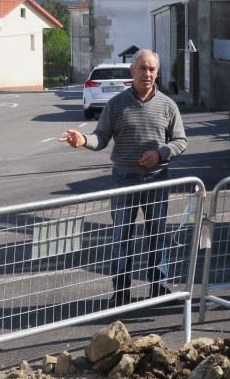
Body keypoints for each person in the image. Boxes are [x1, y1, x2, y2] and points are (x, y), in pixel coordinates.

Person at [59, 49, 188, 307]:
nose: (147, 74)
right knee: (122, 239)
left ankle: (159, 289)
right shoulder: (115, 105)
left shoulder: (168, 105)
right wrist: (84, 140)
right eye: (142, 68)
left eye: (152, 69)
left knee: (158, 236)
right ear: (132, 71)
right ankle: (121, 293)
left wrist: (161, 152)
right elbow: (100, 138)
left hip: (157, 181)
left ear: (157, 73)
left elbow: (180, 141)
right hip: (123, 181)